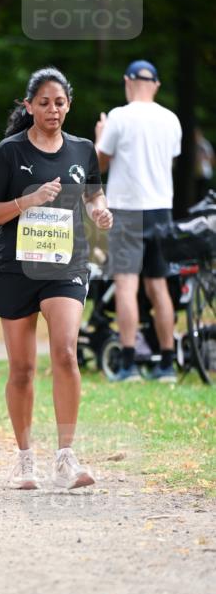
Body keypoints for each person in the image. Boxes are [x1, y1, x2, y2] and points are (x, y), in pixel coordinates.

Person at [0, 67, 113, 491]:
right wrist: (28, 200)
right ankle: (24, 459)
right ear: (29, 106)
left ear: (68, 105)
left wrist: (99, 211)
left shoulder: (83, 149)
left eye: (59, 102)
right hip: (16, 268)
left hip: (65, 266)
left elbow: (93, 193)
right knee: (21, 369)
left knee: (66, 353)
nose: (53, 110)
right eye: (44, 103)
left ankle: (66, 457)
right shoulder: (8, 152)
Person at [95, 60, 182, 382]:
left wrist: (100, 137)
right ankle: (167, 363)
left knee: (126, 285)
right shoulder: (171, 120)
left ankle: (129, 363)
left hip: (127, 210)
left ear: (127, 81)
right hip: (161, 209)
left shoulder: (119, 117)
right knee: (158, 286)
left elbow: (99, 164)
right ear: (156, 85)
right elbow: (170, 162)